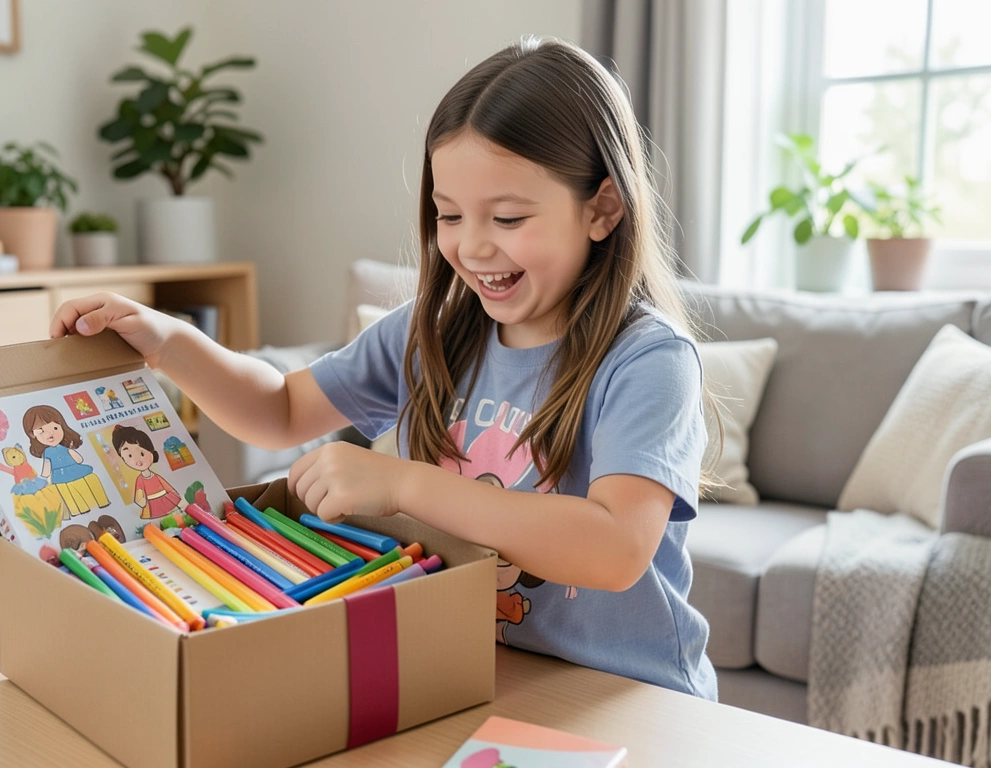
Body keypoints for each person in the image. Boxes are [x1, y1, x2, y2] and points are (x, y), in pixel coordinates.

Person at [49, 36, 719, 700]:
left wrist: (403, 484)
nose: (472, 244)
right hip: (487, 672)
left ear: (602, 209)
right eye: (449, 215)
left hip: (632, 694)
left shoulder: (647, 359)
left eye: (509, 217)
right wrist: (168, 341)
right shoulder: (436, 331)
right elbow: (281, 409)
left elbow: (614, 549)